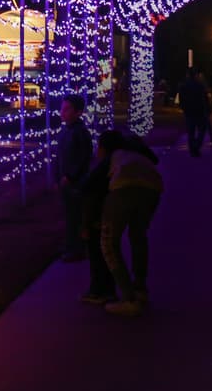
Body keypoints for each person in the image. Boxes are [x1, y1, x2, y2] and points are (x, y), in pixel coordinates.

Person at [102, 132, 164, 317]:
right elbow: (154, 161)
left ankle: (128, 298)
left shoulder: (115, 156)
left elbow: (92, 184)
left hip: (124, 188)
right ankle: (140, 289)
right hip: (153, 189)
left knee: (108, 243)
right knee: (138, 236)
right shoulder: (137, 153)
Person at [78, 130, 120, 304]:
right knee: (108, 253)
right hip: (111, 215)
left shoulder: (102, 169)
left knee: (98, 255)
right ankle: (109, 290)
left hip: (99, 218)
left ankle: (98, 291)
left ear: (103, 148)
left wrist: (86, 225)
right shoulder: (116, 163)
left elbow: (89, 194)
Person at [56, 93, 93, 260]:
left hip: (76, 183)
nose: (63, 112)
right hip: (66, 181)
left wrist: (70, 176)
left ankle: (76, 249)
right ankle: (70, 245)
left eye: (67, 109)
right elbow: (60, 156)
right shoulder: (66, 131)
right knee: (69, 215)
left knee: (76, 216)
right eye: (62, 108)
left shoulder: (80, 132)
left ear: (78, 112)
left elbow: (83, 157)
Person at [179, 66, 211, 157]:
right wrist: (207, 108)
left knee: (191, 131)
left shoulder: (183, 86)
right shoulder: (199, 85)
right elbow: (204, 98)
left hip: (189, 111)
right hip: (199, 110)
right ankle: (196, 146)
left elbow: (182, 99)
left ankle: (192, 149)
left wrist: (184, 108)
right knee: (201, 129)